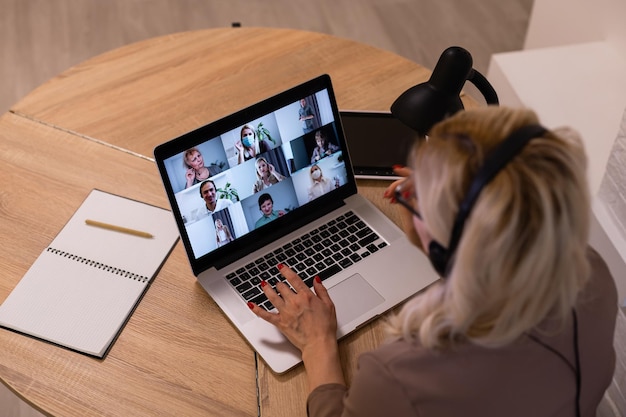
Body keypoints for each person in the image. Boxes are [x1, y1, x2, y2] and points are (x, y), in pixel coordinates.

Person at [248, 107, 618, 416]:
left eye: (422, 198)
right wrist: (451, 192)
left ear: (447, 247)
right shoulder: (594, 275)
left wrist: (317, 344)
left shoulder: (398, 378)